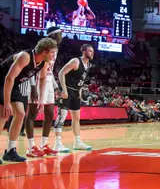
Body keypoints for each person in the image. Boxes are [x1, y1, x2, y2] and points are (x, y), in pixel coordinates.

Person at [0, 38, 57, 163]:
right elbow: (8, 78)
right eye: (52, 52)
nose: (54, 55)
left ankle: (10, 151)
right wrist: (7, 102)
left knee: (20, 114)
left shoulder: (42, 63)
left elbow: (42, 79)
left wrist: (41, 100)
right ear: (45, 51)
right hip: (3, 82)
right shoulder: (25, 57)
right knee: (3, 115)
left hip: (13, 85)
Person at [25, 26, 63, 157]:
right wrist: (33, 86)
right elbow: (31, 69)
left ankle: (44, 145)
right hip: (35, 82)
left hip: (47, 82)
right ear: (52, 36)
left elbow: (49, 72)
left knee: (50, 114)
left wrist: (55, 86)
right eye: (59, 34)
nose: (61, 37)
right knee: (32, 114)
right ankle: (30, 147)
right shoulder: (41, 49)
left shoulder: (55, 50)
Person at [54, 44, 94, 151]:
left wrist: (80, 91)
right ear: (83, 51)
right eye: (90, 51)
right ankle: (57, 143)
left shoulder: (89, 65)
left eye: (92, 51)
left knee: (76, 118)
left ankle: (77, 142)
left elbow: (80, 79)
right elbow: (61, 73)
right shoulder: (76, 61)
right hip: (67, 90)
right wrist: (64, 89)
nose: (92, 53)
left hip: (76, 92)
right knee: (61, 117)